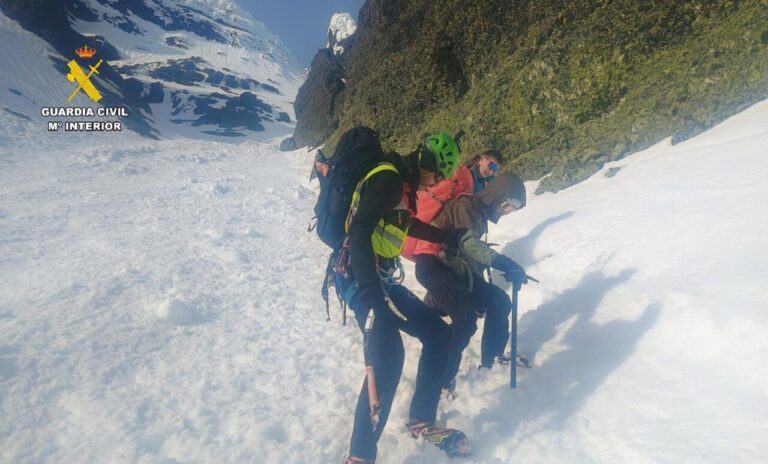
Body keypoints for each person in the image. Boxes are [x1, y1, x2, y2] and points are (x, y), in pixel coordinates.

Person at [339, 131, 471, 463]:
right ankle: (359, 456)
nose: (434, 184)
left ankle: (421, 421)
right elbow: (359, 229)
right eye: (438, 177)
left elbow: (404, 224)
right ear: (429, 166)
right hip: (360, 277)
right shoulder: (389, 179)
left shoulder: (401, 185)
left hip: (378, 278)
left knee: (438, 335)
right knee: (388, 356)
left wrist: (443, 236)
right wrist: (370, 292)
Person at [413, 173, 528, 395]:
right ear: (497, 195)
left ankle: (492, 359)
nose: (508, 211)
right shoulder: (467, 204)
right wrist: (505, 263)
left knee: (498, 301)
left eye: (513, 209)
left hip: (454, 270)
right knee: (465, 320)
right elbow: (469, 244)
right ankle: (441, 381)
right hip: (434, 265)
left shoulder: (479, 214)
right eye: (509, 204)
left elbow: (467, 254)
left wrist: (482, 285)